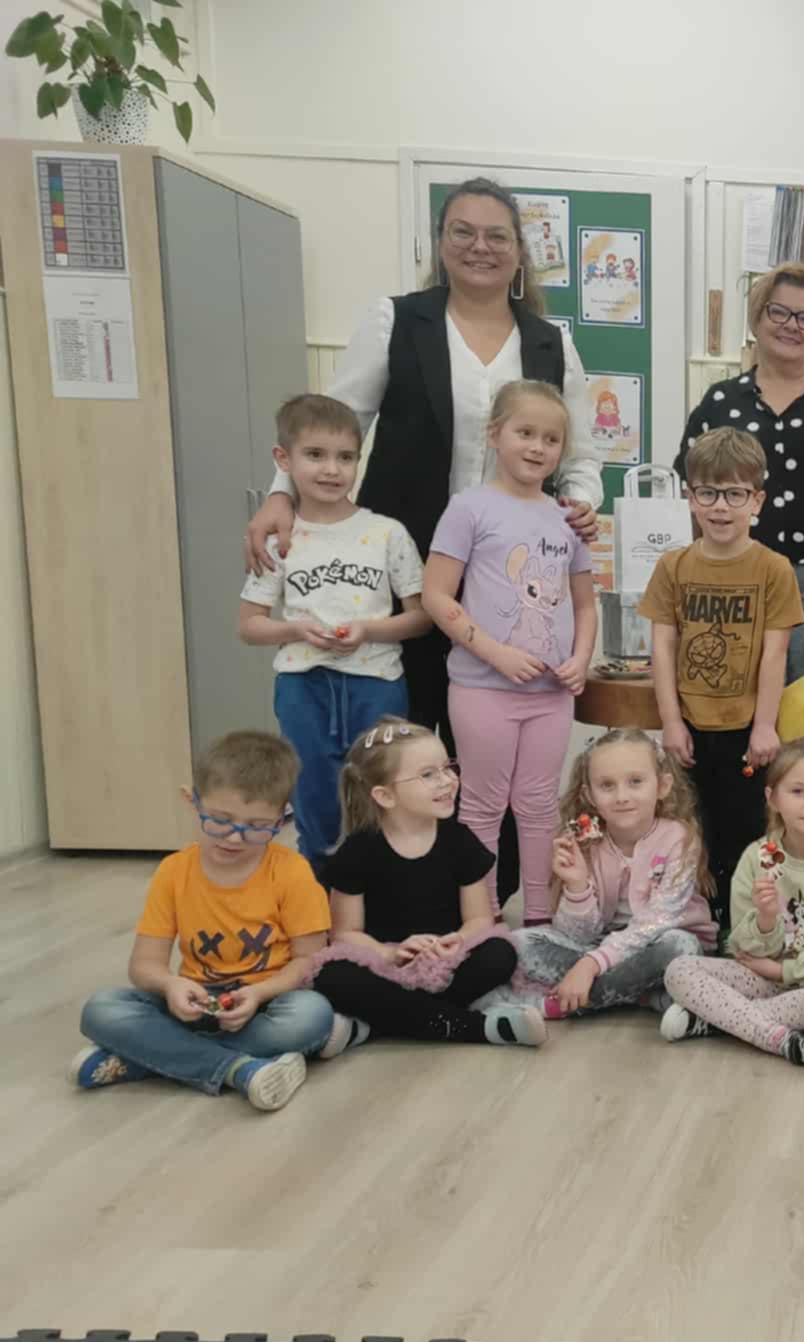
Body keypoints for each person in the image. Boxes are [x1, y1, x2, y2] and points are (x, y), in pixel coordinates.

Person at [243, 177, 602, 741]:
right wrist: (280, 495)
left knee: (485, 738)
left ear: (518, 253)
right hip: (403, 563)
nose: (479, 246)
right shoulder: (395, 322)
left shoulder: (551, 343)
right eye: (463, 232)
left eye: (496, 236)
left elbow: (580, 457)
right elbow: (332, 427)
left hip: (507, 573)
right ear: (440, 243)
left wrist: (577, 504)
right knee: (400, 735)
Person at [72, 733, 333, 1112]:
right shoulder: (173, 871)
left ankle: (148, 1058)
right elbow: (144, 965)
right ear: (191, 802)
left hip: (267, 1004)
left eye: (257, 826)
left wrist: (259, 994)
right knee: (102, 1008)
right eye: (220, 821)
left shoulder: (292, 873)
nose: (235, 838)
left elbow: (309, 960)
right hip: (193, 1002)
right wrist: (171, 984)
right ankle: (239, 1069)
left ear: (282, 820)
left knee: (312, 1014)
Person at [421, 381, 596, 924]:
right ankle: (485, 917)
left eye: (551, 439)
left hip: (550, 695)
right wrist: (495, 654)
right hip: (483, 689)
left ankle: (540, 918)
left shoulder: (568, 519)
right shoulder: (468, 508)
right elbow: (436, 596)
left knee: (539, 804)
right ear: (494, 434)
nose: (538, 447)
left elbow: (585, 605)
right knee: (482, 805)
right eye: (525, 433)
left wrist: (581, 659)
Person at [237, 395, 429, 882]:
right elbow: (249, 624)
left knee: (384, 790)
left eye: (346, 457)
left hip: (377, 683)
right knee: (315, 797)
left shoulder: (386, 533)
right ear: (284, 460)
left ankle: (381, 897)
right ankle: (319, 900)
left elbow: (421, 617)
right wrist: (295, 629)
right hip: (304, 686)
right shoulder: (279, 538)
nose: (331, 469)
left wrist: (368, 630)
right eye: (315, 455)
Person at [675, 262, 804, 681]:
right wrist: (698, 577)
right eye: (779, 312)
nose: (792, 325)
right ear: (757, 319)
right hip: (733, 582)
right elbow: (689, 496)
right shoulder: (720, 403)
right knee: (733, 699)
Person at [639, 427, 803, 925]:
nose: (720, 507)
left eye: (734, 494)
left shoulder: (774, 569)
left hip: (746, 731)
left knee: (744, 833)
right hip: (688, 730)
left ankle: (740, 927)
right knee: (689, 833)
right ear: (691, 498)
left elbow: (775, 653)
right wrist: (671, 722)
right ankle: (694, 924)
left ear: (757, 500)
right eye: (708, 493)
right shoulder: (673, 567)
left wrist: (764, 725)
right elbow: (662, 647)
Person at [308, 719, 538, 1051]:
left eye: (447, 767)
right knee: (332, 975)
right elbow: (344, 934)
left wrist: (457, 942)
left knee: (500, 954)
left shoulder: (459, 840)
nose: (447, 780)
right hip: (384, 964)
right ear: (385, 795)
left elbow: (479, 920)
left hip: (446, 961)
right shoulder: (358, 851)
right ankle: (473, 1026)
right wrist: (389, 953)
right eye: (428, 774)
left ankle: (375, 1024)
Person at [661, 738, 804, 1072]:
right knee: (679, 970)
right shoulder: (756, 858)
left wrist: (784, 971)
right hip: (762, 980)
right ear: (773, 798)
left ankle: (714, 1021)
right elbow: (743, 949)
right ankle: (784, 1040)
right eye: (798, 791)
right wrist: (765, 921)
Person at [500, 728, 717, 1023]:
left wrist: (591, 965)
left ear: (663, 786)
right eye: (607, 785)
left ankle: (562, 1003)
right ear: (589, 795)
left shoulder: (679, 838)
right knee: (518, 943)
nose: (622, 797)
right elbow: (577, 936)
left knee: (679, 947)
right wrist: (577, 885)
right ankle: (639, 994)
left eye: (635, 782)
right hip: (602, 946)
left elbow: (659, 920)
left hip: (660, 943)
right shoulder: (586, 842)